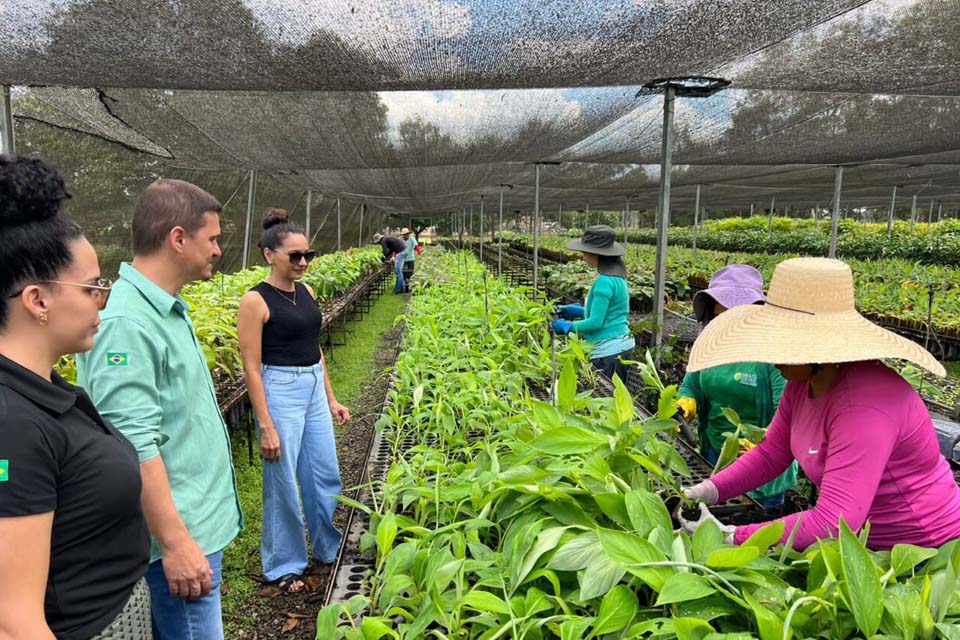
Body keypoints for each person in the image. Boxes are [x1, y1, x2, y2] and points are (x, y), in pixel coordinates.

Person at [679, 257, 960, 551]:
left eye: (782, 340)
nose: (770, 350)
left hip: (920, 549)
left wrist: (731, 536)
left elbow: (833, 522)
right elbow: (772, 453)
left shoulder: (862, 407)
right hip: (858, 545)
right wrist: (710, 490)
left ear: (816, 346)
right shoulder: (802, 382)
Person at [78, 179, 242, 640]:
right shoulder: (126, 324)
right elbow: (133, 442)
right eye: (211, 239)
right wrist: (175, 543)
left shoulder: (165, 309)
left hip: (198, 527)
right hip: (181, 534)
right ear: (178, 238)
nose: (216, 250)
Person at [0, 155, 151, 639]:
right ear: (38, 300)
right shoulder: (13, 426)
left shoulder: (44, 391)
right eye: (91, 289)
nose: (101, 301)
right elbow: (14, 620)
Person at [237, 210, 350, 593]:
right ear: (270, 255)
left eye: (308, 255)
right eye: (294, 256)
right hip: (279, 389)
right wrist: (265, 424)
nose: (303, 262)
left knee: (323, 471)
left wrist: (331, 398)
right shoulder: (255, 300)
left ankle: (327, 546)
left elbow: (315, 349)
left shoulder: (307, 292)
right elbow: (251, 368)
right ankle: (284, 564)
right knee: (283, 480)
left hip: (312, 386)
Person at [676, 265, 797, 509]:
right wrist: (685, 403)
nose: (729, 325)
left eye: (737, 316)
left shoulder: (774, 355)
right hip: (715, 454)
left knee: (752, 528)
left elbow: (792, 416)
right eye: (722, 317)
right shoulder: (709, 342)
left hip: (762, 466)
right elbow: (691, 386)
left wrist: (765, 443)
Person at [551, 225, 635, 381]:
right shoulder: (617, 277)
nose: (583, 257)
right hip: (621, 345)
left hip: (609, 351)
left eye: (586, 253)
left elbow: (596, 322)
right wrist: (580, 311)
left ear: (599, 254)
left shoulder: (604, 281)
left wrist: (569, 327)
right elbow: (609, 313)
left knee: (607, 401)